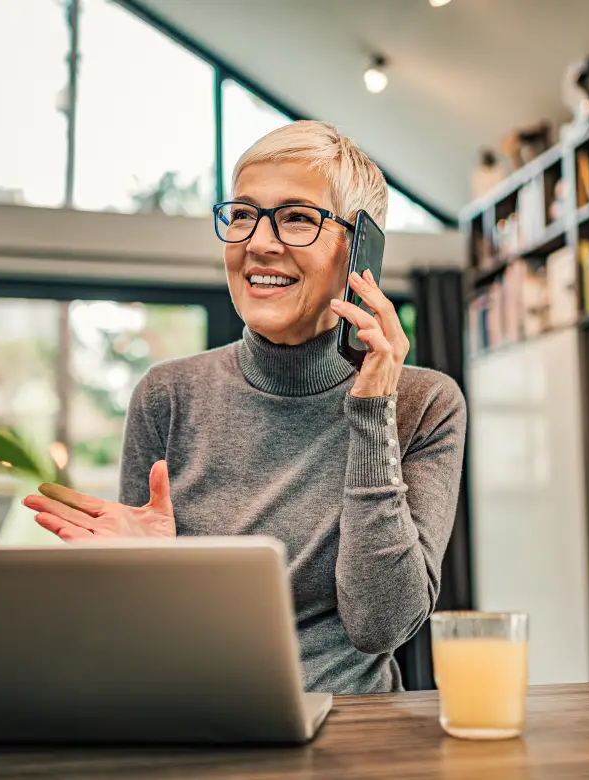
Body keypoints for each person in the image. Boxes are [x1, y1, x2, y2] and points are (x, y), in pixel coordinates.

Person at [23, 120, 466, 695]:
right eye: (242, 215)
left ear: (361, 251)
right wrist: (150, 578)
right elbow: (135, 640)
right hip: (196, 719)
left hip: (352, 727)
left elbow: (380, 624)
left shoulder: (424, 404)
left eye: (297, 217)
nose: (259, 242)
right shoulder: (166, 396)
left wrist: (372, 410)